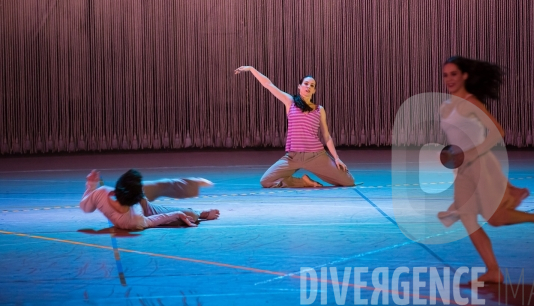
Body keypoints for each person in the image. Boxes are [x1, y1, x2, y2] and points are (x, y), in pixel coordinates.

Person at [437, 56, 534, 284]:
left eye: (454, 74)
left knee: (495, 219)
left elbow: (498, 132)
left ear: (464, 75)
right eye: (445, 74)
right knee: (467, 218)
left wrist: (472, 153)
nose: (449, 79)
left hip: (482, 166)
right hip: (463, 171)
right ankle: (493, 270)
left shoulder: (472, 102)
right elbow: (456, 141)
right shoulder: (444, 107)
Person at [235, 66, 355, 188]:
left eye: (312, 85)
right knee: (266, 181)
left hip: (315, 156)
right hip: (293, 157)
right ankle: (303, 182)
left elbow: (326, 136)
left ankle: (312, 177)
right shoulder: (290, 102)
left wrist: (337, 158)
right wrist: (251, 69)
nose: (308, 87)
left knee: (349, 181)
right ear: (299, 87)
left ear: (314, 91)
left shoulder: (319, 109)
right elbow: (268, 84)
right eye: (306, 84)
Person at [80, 169, 219, 230]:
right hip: (142, 210)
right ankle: (199, 213)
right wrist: (179, 214)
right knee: (190, 215)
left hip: (131, 198)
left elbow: (86, 207)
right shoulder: (134, 220)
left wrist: (91, 186)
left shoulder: (102, 193)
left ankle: (193, 184)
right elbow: (158, 219)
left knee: (160, 185)